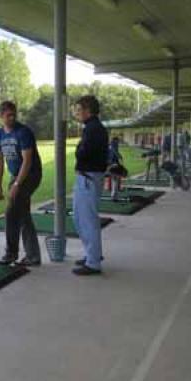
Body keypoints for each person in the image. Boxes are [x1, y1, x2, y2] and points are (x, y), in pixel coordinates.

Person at [0, 100, 42, 266]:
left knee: (13, 212)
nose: (12, 118)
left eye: (14, 115)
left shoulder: (23, 132)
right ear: (1, 116)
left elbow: (27, 161)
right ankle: (29, 255)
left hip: (31, 174)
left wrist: (16, 185)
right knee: (20, 212)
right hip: (16, 175)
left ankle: (14, 254)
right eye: (8, 115)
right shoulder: (0, 135)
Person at [72, 96, 109, 276]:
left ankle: (93, 262)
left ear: (88, 110)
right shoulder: (94, 127)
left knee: (87, 220)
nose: (77, 113)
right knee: (82, 219)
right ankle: (91, 255)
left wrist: (78, 150)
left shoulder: (93, 129)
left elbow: (82, 153)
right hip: (89, 178)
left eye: (79, 110)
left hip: (88, 178)